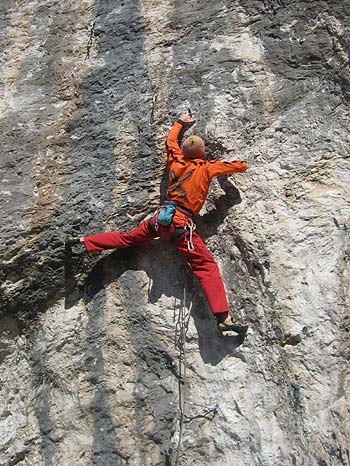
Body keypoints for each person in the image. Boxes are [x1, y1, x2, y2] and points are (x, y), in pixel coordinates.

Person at [67, 112, 249, 334]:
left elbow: (170, 141)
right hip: (182, 226)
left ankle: (84, 241)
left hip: (160, 219)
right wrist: (228, 170)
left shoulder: (176, 160)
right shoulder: (207, 168)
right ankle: (223, 317)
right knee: (206, 266)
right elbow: (240, 166)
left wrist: (181, 122)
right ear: (202, 153)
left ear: (184, 152)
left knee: (128, 238)